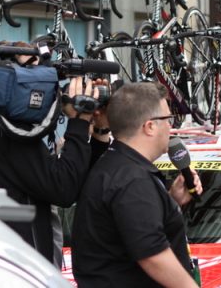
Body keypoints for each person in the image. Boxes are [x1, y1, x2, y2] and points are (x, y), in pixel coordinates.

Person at [0, 42, 111, 267]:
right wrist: (78, 121)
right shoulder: (8, 135)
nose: (44, 80)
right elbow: (64, 189)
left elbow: (74, 179)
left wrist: (98, 130)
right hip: (18, 270)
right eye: (33, 71)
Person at [72, 82, 203, 288]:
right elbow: (152, 255)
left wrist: (171, 202)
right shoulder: (131, 179)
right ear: (150, 126)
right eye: (168, 119)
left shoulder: (116, 167)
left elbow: (131, 228)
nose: (172, 126)